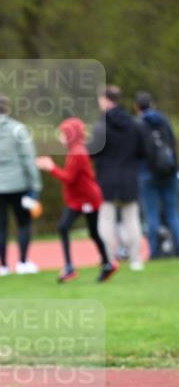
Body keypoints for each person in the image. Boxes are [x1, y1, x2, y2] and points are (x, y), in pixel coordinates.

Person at [37, 118, 112, 283]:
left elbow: (69, 178)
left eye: (64, 133)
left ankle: (72, 267)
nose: (61, 137)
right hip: (82, 200)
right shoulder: (75, 151)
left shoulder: (77, 152)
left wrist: (51, 167)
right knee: (90, 232)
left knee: (65, 227)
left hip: (87, 200)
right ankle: (106, 264)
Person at [0, 94, 42, 275]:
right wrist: (35, 184)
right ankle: (22, 262)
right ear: (8, 108)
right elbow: (28, 158)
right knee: (23, 223)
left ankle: (3, 266)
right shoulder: (18, 129)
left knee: (0, 225)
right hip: (18, 184)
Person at [91, 86, 145, 271]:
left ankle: (109, 259)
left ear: (105, 100)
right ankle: (136, 260)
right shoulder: (133, 124)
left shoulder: (101, 126)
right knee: (132, 220)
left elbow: (93, 151)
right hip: (130, 176)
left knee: (106, 220)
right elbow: (142, 150)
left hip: (107, 178)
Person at [134, 90, 179, 258]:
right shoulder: (164, 121)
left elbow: (136, 150)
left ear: (136, 107)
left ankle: (154, 252)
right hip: (169, 171)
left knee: (151, 214)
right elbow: (172, 143)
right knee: (172, 213)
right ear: (152, 104)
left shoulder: (138, 124)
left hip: (147, 173)